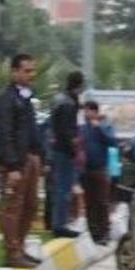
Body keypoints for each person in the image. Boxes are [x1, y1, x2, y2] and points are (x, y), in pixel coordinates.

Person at [0, 54, 44, 268]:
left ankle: (19, 248)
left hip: (29, 158)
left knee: (30, 205)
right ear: (14, 72)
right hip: (14, 163)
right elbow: (5, 133)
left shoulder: (26, 97)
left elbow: (31, 130)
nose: (32, 74)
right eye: (27, 71)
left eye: (33, 70)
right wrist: (12, 166)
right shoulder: (6, 97)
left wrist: (40, 156)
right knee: (13, 207)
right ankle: (12, 253)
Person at [48, 71, 85, 238]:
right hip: (64, 151)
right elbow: (68, 131)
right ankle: (60, 225)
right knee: (64, 188)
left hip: (57, 149)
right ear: (79, 86)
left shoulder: (59, 99)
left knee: (59, 188)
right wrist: (75, 149)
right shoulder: (69, 104)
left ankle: (57, 222)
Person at [79, 101, 117, 246]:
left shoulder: (105, 126)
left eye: (88, 111)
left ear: (95, 112)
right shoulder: (83, 128)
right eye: (85, 111)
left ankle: (104, 232)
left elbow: (112, 142)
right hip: (86, 169)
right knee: (90, 202)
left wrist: (99, 128)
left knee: (101, 201)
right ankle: (93, 232)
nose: (86, 114)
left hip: (100, 169)